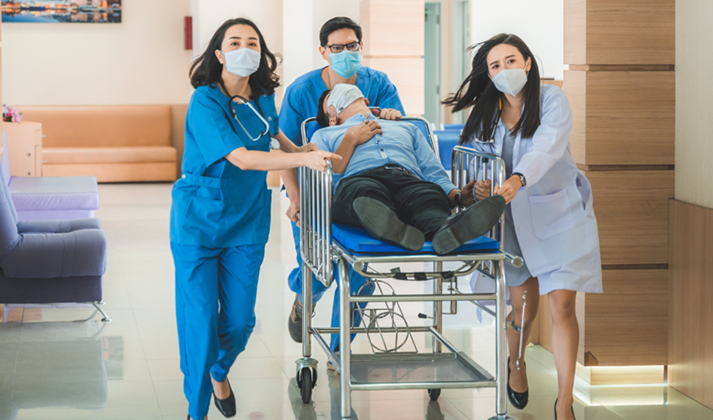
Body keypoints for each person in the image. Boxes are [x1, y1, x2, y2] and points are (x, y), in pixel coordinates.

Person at [170, 18, 339, 420]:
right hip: (199, 221)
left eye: (252, 42)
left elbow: (272, 135)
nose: (244, 48)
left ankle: (219, 370)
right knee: (200, 324)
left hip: (245, 221)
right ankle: (196, 410)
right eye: (234, 42)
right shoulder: (205, 101)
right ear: (219, 53)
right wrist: (301, 161)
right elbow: (243, 158)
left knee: (241, 323)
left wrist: (300, 154)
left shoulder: (263, 95)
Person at [445, 33, 602, 420]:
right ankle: (516, 363)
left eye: (511, 61)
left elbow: (548, 147)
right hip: (512, 221)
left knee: (563, 304)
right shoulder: (486, 114)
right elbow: (479, 160)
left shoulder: (551, 100)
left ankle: (564, 402)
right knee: (523, 308)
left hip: (558, 215)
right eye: (496, 65)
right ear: (489, 74)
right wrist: (481, 186)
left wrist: (517, 178)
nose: (505, 69)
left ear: (527, 63)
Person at [279, 17, 406, 349]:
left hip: (366, 189)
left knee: (359, 273)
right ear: (323, 51)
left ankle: (339, 351)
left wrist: (390, 117)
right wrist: (296, 198)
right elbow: (286, 150)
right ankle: (304, 297)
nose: (346, 52)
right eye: (337, 47)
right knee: (320, 270)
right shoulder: (301, 92)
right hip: (314, 191)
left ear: (361, 47)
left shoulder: (378, 84)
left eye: (352, 45)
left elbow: (399, 133)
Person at [313, 84, 506, 253]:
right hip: (359, 180)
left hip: (407, 180)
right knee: (363, 194)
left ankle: (446, 230)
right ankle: (390, 226)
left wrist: (458, 197)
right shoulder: (325, 134)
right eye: (332, 95)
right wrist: (350, 138)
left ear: (366, 101)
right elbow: (326, 181)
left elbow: (431, 170)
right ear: (332, 117)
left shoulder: (406, 127)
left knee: (427, 196)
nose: (340, 89)